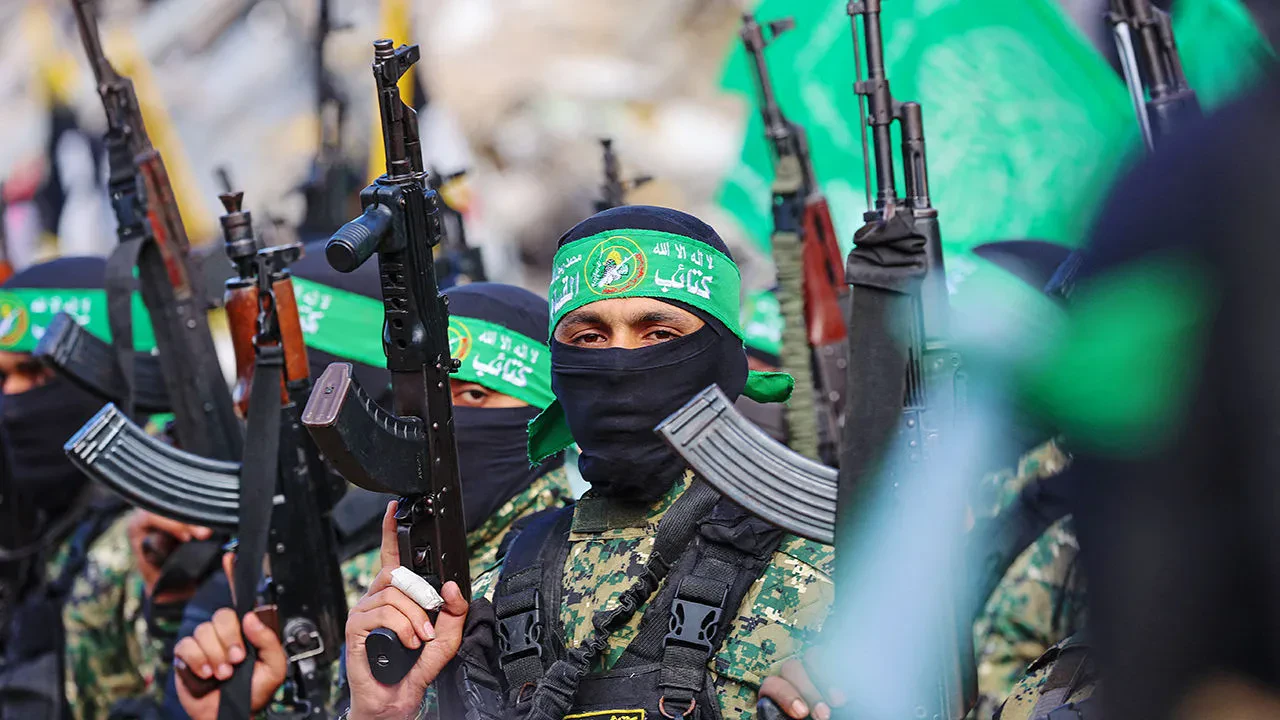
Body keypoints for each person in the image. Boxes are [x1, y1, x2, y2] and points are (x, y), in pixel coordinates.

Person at [337, 206, 833, 720]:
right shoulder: (492, 595)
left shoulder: (833, 577)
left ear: (722, 358)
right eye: (589, 338)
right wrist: (381, 713)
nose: (618, 363)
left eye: (658, 334)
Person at [172, 280, 574, 718]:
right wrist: (252, 708)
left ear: (545, 414)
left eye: (475, 395)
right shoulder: (374, 582)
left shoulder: (569, 571)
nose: (445, 419)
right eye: (430, 397)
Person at [0, 257, 207, 720]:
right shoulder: (43, 505)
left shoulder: (165, 523)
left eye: (38, 374)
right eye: (2, 379)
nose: (12, 400)